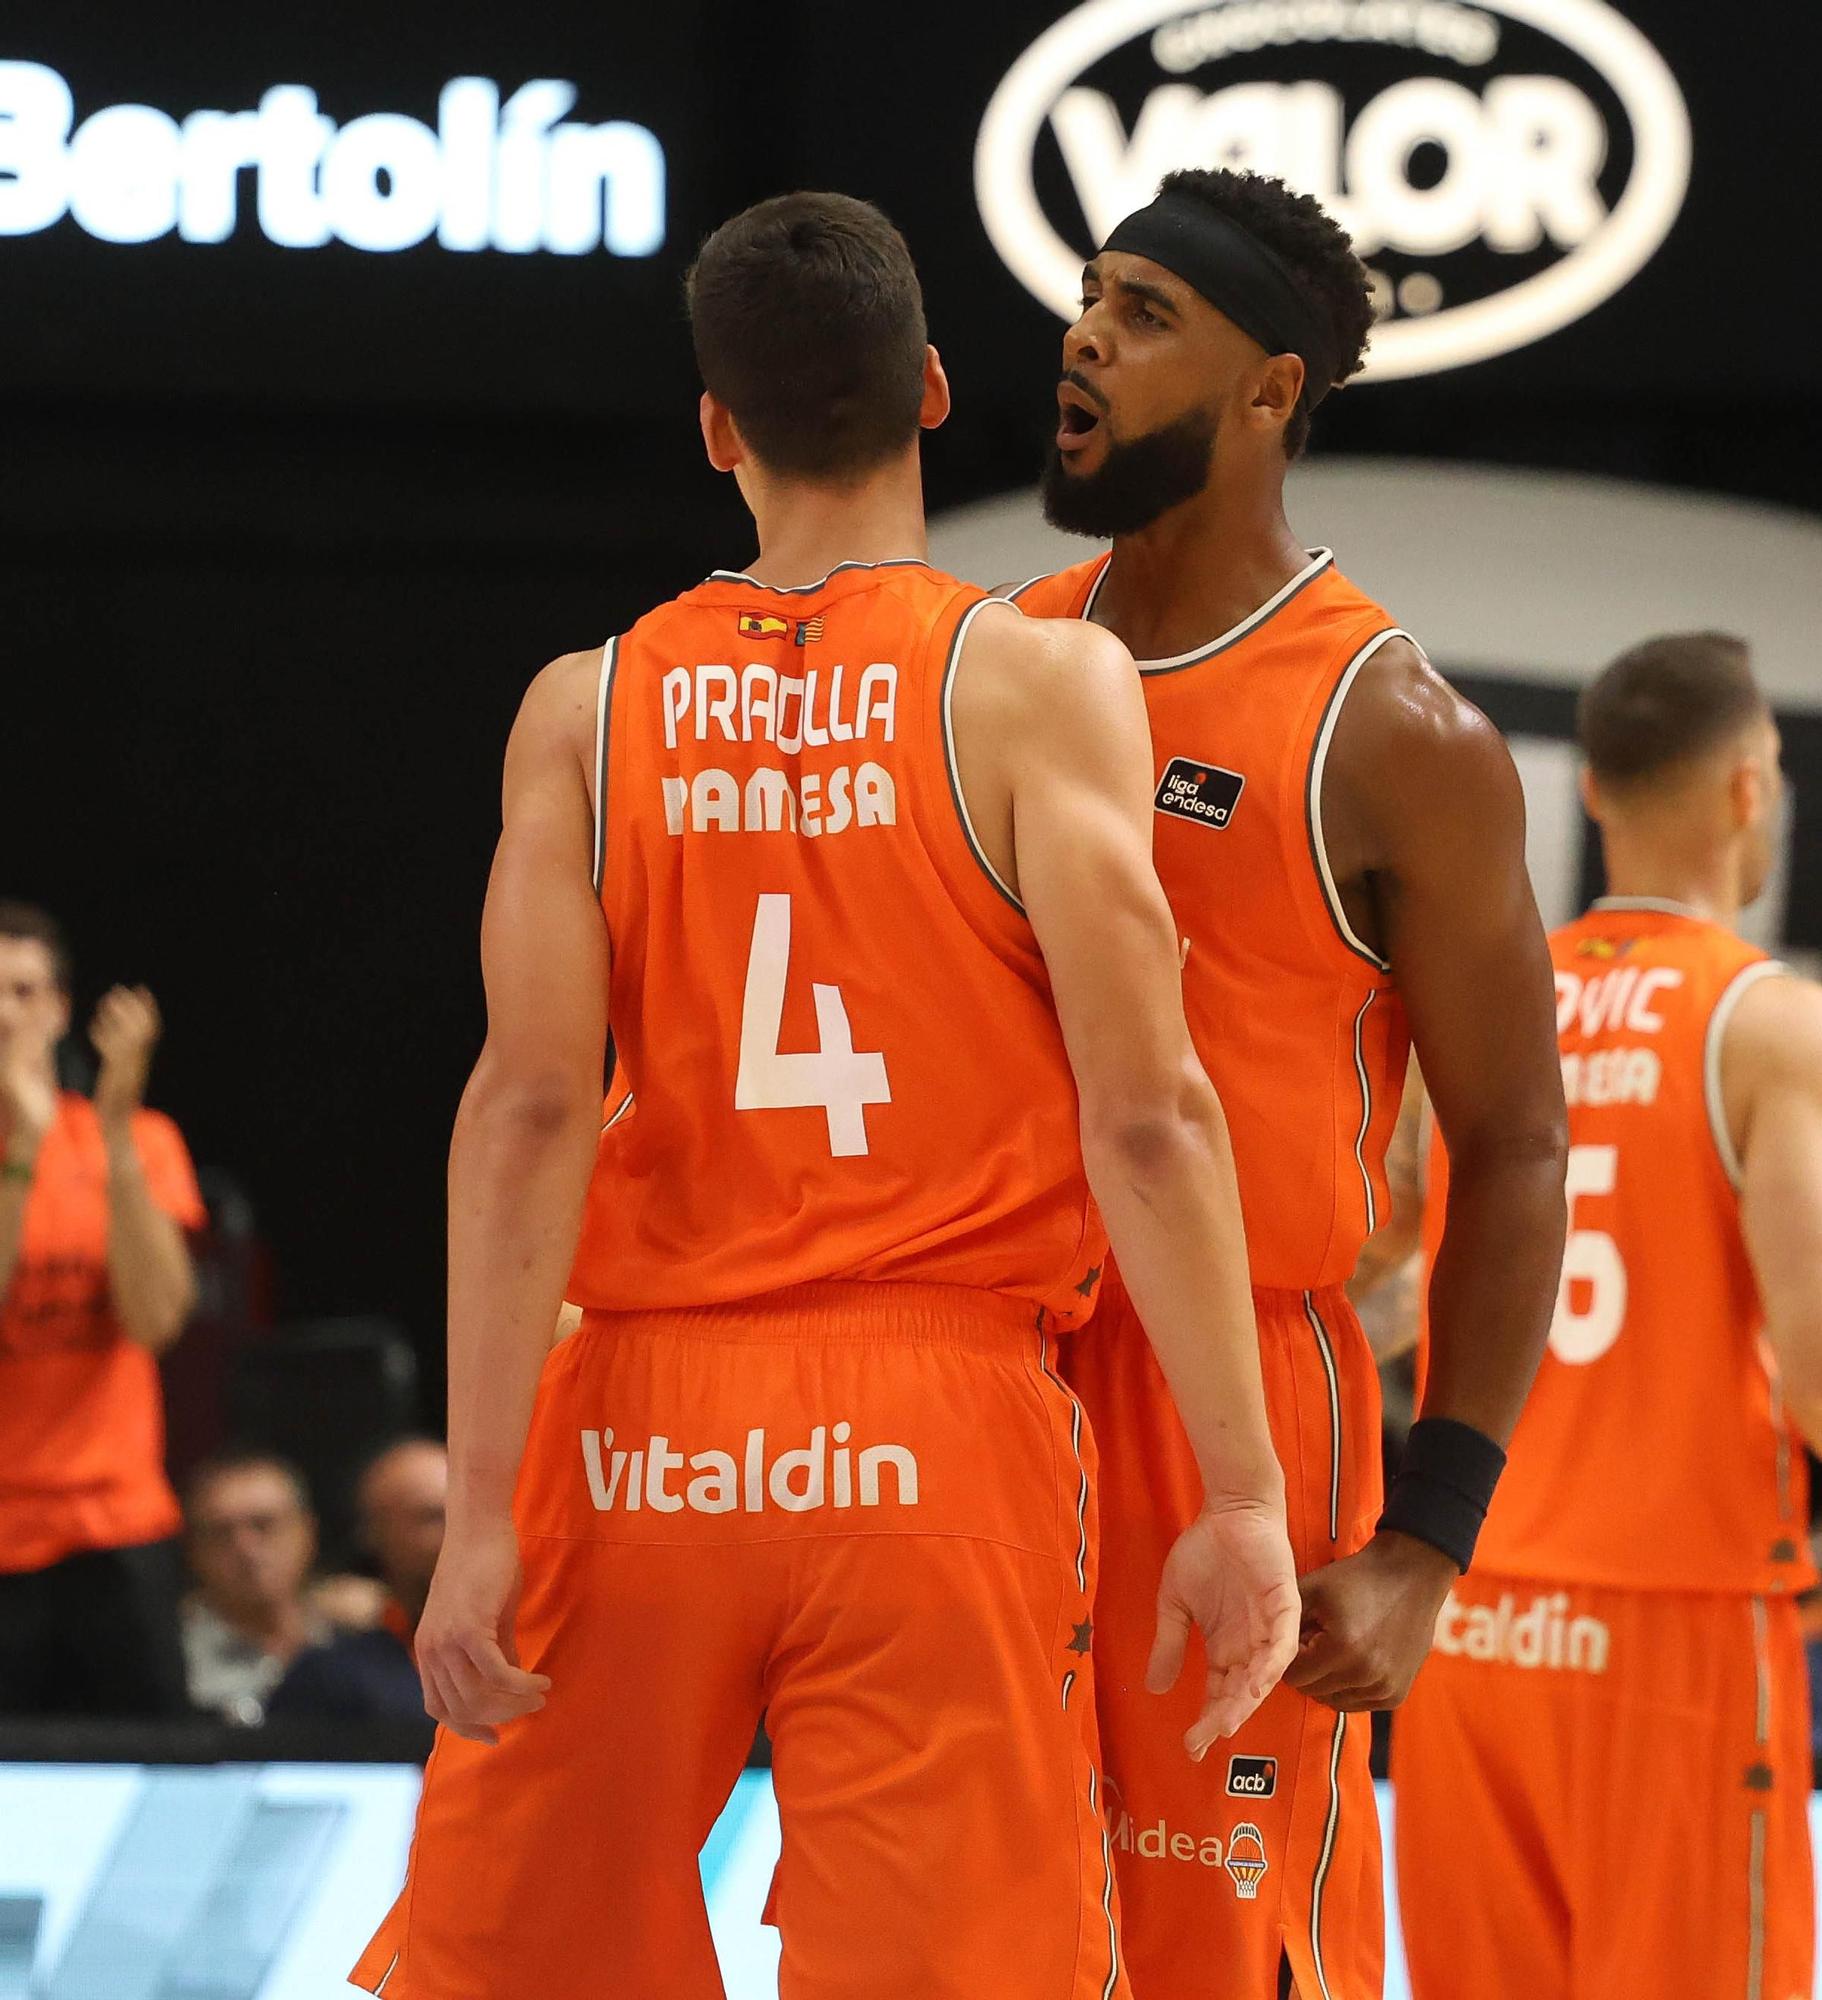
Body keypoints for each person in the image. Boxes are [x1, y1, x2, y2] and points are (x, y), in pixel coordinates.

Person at [352, 190, 1299, 2000]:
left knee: (516, 1969)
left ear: (716, 431)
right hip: (934, 1428)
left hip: (637, 1427)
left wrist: (479, 1516)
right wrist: (1239, 1493)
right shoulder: (1034, 684)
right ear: (937, 391)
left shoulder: (587, 706)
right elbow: (1152, 1114)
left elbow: (527, 1115)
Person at [1004, 168, 1567, 1999]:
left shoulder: (1392, 731)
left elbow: (1515, 1141)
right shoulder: (997, 658)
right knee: (961, 1937)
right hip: (982, 1376)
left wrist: (1430, 1538)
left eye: (1147, 310)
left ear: (1272, 389)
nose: (1083, 332)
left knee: (1210, 1951)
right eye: (1088, 293)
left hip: (1230, 1400)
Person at [1389, 634, 1821, 2000]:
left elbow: (1379, 1281)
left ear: (1590, 792)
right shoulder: (1763, 1026)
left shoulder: (1479, 1012)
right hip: (1673, 1634)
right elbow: (1813, 1361)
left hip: (1464, 1615)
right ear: (1751, 788)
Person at [0, 900, 203, 1716]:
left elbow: (156, 1319)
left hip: (118, 1530)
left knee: (154, 1788)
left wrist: (112, 1132)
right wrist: (22, 1149)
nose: (3, 1014)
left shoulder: (142, 1139)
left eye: (21, 992)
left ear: (57, 1009)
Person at [269, 1437, 444, 1725]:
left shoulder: (528, 1642)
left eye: (462, 1515)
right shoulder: (328, 1675)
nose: (457, 1535)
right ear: (374, 1533)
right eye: (432, 1517)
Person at [182, 1451, 332, 1723]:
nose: (245, 1549)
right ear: (193, 1551)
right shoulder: (171, 1656)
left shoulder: (354, 1636)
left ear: (308, 1532)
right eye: (220, 1532)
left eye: (264, 1525)